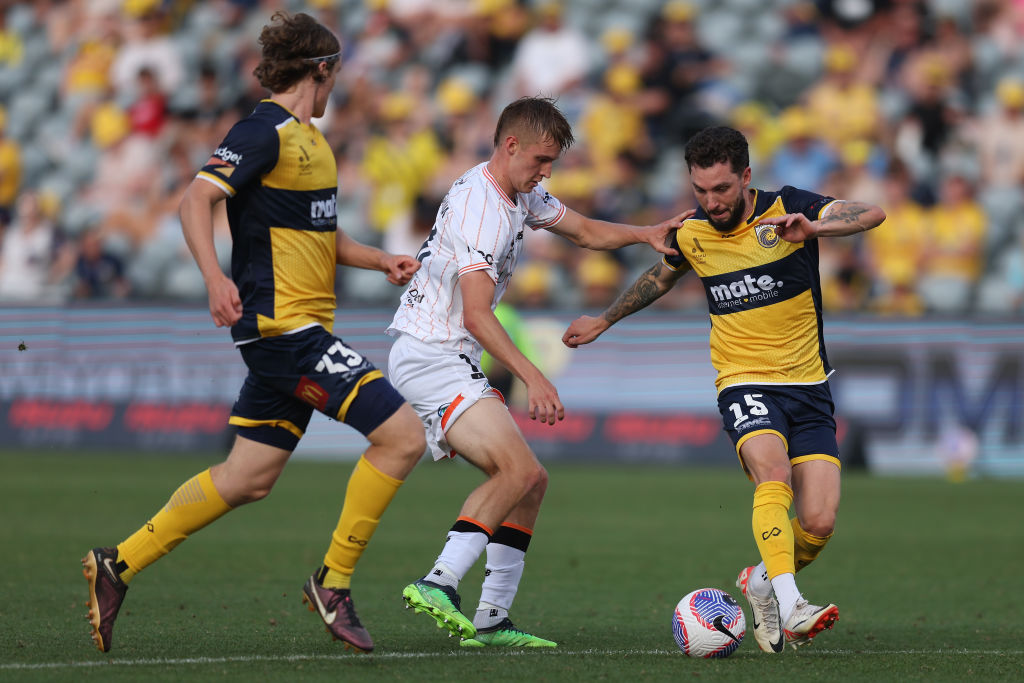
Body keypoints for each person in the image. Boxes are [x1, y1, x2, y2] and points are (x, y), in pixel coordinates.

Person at [81, 11, 426, 655]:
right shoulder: (262, 130)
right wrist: (214, 277)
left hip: (296, 331)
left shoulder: (311, 141)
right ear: (320, 69)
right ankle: (334, 581)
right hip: (283, 331)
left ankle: (116, 564)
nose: (335, 89)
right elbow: (194, 200)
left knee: (247, 479)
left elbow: (321, 233)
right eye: (335, 76)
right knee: (403, 435)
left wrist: (380, 258)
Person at [562, 126, 885, 653]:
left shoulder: (790, 208)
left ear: (746, 178)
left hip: (808, 384)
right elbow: (660, 279)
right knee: (772, 472)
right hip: (742, 379)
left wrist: (817, 229)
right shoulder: (692, 231)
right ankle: (790, 603)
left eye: (721, 190)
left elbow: (873, 213)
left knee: (819, 521)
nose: (711, 202)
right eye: (700, 191)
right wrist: (603, 320)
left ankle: (761, 581)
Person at [387, 96, 690, 648]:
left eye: (553, 163)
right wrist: (534, 375)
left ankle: (492, 619)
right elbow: (478, 315)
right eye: (541, 161)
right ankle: (439, 582)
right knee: (516, 473)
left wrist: (647, 233)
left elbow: (586, 232)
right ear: (510, 146)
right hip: (432, 352)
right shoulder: (483, 208)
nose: (547, 172)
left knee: (529, 480)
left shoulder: (515, 191)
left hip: (443, 354)